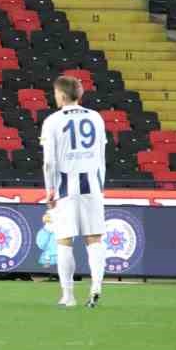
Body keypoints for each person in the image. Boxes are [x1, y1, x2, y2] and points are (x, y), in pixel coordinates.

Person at [40, 74, 109, 308]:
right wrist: (101, 185)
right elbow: (101, 155)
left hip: (65, 186)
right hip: (92, 183)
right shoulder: (96, 117)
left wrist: (49, 189)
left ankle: (68, 296)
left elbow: (49, 162)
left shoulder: (52, 121)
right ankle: (96, 286)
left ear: (61, 94)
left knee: (64, 240)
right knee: (94, 238)